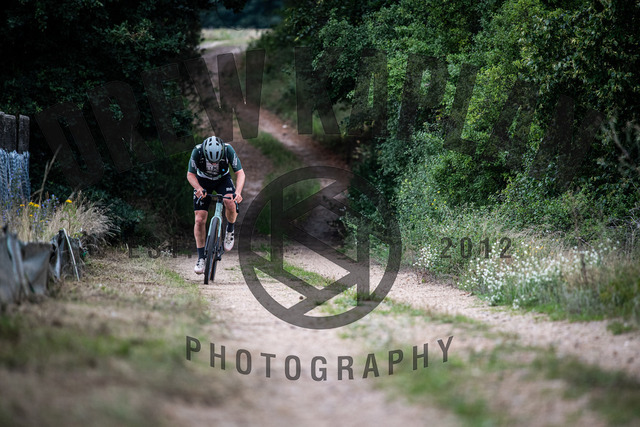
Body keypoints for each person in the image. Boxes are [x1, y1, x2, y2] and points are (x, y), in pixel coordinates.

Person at [187, 135, 245, 274]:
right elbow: (190, 174)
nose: (213, 164)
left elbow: (240, 173)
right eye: (210, 161)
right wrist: (198, 188)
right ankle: (201, 258)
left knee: (229, 201)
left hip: (222, 180)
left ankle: (230, 230)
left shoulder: (228, 150)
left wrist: (238, 192)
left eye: (216, 161)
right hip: (202, 180)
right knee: (199, 219)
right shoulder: (197, 151)